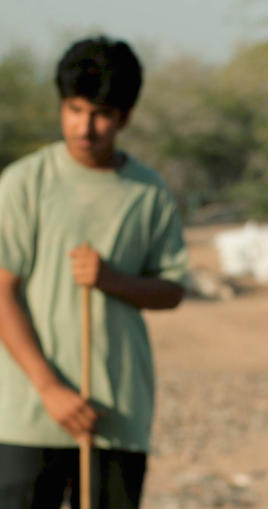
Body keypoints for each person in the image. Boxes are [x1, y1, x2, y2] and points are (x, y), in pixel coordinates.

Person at [0, 36, 187, 508]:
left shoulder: (148, 192)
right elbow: (1, 291)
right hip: (29, 413)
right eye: (75, 109)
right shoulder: (25, 184)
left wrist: (114, 280)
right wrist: (50, 388)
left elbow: (171, 289)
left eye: (101, 114)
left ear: (124, 117)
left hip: (117, 413)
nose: (85, 127)